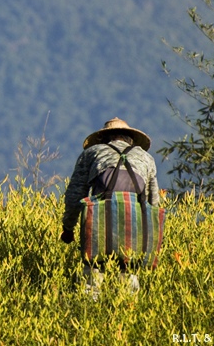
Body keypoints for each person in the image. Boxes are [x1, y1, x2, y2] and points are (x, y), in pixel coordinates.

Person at [59, 117, 160, 296]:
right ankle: (126, 313)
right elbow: (154, 203)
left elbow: (75, 195)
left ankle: (90, 312)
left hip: (100, 220)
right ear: (130, 139)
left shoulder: (93, 153)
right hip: (135, 222)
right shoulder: (146, 158)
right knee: (129, 278)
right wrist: (151, 239)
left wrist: (68, 228)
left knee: (93, 276)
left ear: (105, 139)